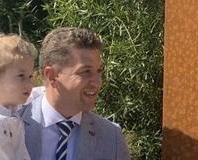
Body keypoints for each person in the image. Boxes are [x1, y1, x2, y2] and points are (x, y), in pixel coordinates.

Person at [18, 27, 130, 160]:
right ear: (52, 75)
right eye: (85, 72)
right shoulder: (12, 125)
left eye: (99, 71)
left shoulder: (112, 137)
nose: (97, 82)